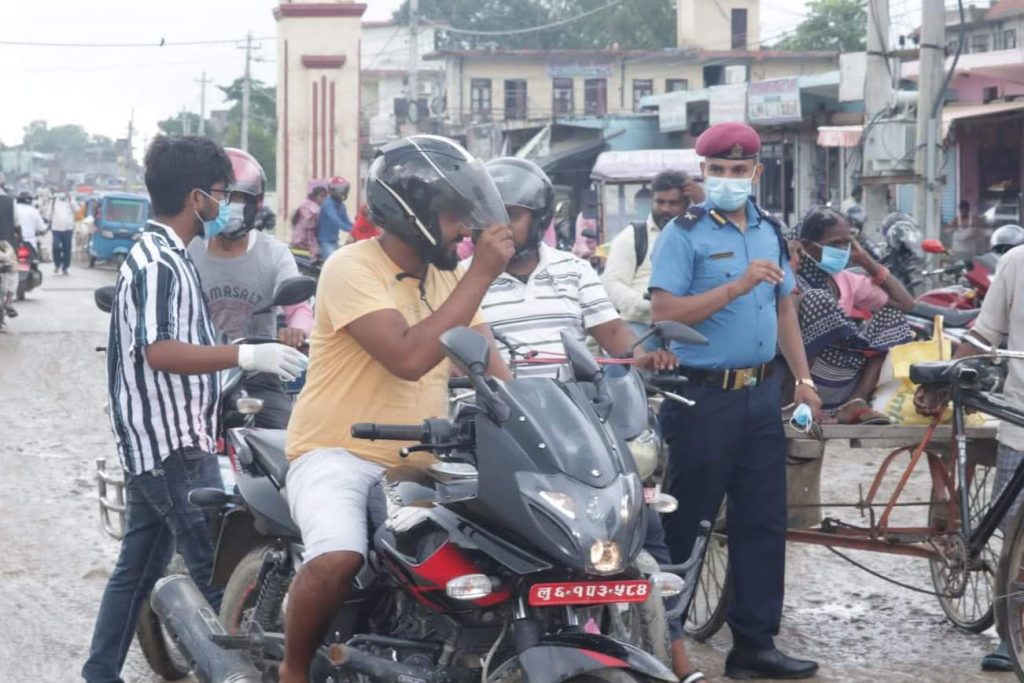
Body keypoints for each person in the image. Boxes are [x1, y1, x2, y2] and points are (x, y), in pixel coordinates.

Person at [280, 135, 515, 683]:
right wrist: (481, 274)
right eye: (455, 215)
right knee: (339, 557)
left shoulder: (448, 277)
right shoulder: (351, 267)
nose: (465, 229)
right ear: (413, 214)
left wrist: (537, 410)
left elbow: (490, 369)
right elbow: (407, 357)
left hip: (419, 462)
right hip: (337, 453)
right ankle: (293, 669)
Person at [81, 136, 308, 683]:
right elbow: (160, 352)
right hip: (173, 444)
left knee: (137, 571)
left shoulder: (163, 254)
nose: (226, 204)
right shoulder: (160, 262)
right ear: (196, 198)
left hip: (163, 440)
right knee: (218, 581)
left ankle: (99, 673)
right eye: (222, 193)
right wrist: (247, 354)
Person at [473, 157, 700, 682]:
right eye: (489, 215)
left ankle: (675, 653)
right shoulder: (467, 280)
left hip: (573, 426)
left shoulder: (573, 270)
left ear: (540, 218)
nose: (498, 226)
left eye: (511, 214)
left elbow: (615, 337)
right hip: (500, 426)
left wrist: (643, 357)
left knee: (640, 525)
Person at [649, 122, 821, 680]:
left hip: (760, 395)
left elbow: (785, 307)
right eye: (718, 170)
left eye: (738, 170)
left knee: (763, 521)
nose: (728, 177)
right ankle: (663, 640)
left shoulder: (769, 230)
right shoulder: (683, 233)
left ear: (756, 172)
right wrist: (736, 286)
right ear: (703, 172)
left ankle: (754, 645)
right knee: (686, 522)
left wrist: (804, 379)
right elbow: (664, 313)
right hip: (702, 398)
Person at [915, 243, 1024, 673]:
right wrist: (945, 378)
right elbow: (984, 334)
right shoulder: (1016, 261)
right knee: (1017, 537)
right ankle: (1012, 632)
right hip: (1020, 420)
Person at [188, 148, 314, 429]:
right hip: (197, 369)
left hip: (258, 371)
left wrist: (297, 330)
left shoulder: (274, 253)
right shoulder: (189, 250)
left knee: (285, 442)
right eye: (223, 197)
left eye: (238, 198)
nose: (229, 205)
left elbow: (299, 308)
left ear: (255, 204)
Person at [789, 207, 915, 423]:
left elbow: (905, 303)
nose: (842, 250)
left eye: (846, 243)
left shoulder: (843, 279)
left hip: (842, 379)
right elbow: (786, 317)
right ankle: (805, 404)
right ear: (807, 246)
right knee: (817, 299)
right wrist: (791, 267)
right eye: (835, 244)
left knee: (891, 316)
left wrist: (866, 261)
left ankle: (855, 402)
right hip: (798, 377)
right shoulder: (790, 278)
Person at [602, 171, 704, 349]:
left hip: (689, 326)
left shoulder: (698, 235)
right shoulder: (634, 236)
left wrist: (703, 204)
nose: (665, 209)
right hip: (644, 326)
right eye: (660, 202)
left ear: (687, 204)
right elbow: (611, 284)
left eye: (673, 203)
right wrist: (647, 305)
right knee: (630, 353)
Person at [316, 175, 353, 260]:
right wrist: (353, 230)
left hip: (335, 241)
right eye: (340, 189)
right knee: (334, 262)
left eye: (344, 189)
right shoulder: (328, 203)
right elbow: (336, 221)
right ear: (332, 190)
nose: (343, 192)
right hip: (325, 242)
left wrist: (359, 229)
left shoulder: (341, 205)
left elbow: (346, 221)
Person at [291, 184, 327, 260]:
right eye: (321, 196)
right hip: (302, 239)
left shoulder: (315, 206)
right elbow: (309, 223)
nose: (323, 199)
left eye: (325, 197)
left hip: (308, 239)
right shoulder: (307, 206)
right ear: (315, 196)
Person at [46, 190, 78, 275]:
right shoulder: (53, 202)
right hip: (56, 229)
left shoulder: (71, 201)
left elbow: (77, 210)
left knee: (67, 248)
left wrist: (71, 200)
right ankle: (57, 264)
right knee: (56, 247)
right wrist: (48, 223)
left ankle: (65, 267)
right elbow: (48, 214)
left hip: (68, 229)